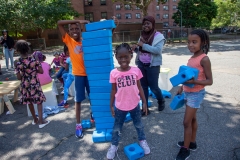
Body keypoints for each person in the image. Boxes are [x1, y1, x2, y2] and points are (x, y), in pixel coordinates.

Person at [106, 43, 150, 159]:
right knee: (116, 128)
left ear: (131, 55)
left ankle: (142, 140)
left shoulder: (136, 71)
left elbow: (140, 87)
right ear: (116, 57)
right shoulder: (114, 73)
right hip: (120, 107)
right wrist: (111, 105)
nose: (123, 60)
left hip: (135, 105)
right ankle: (114, 145)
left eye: (126, 56)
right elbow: (113, 90)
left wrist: (144, 102)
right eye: (120, 57)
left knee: (139, 125)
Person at [175, 29, 213, 160]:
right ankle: (192, 143)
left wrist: (194, 81)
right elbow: (186, 76)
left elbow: (210, 81)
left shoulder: (204, 59)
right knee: (193, 119)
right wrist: (181, 86)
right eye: (189, 42)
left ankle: (185, 150)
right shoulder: (191, 58)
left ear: (203, 42)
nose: (190, 45)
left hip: (196, 94)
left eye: (194, 42)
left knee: (186, 122)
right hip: (188, 92)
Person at [132, 16, 166, 116]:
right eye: (144, 24)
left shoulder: (159, 36)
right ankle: (145, 108)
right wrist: (135, 49)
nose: (146, 25)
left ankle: (161, 100)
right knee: (143, 87)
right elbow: (140, 50)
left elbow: (157, 51)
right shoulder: (142, 36)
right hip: (141, 65)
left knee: (154, 87)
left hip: (153, 66)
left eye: (148, 23)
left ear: (153, 24)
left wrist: (143, 45)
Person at [14, 40, 50, 129]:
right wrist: (33, 70)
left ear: (17, 50)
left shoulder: (17, 61)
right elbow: (41, 71)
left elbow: (18, 77)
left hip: (25, 85)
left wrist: (24, 73)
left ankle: (35, 119)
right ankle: (41, 121)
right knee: (39, 101)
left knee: (29, 101)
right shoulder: (33, 59)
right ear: (28, 48)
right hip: (35, 83)